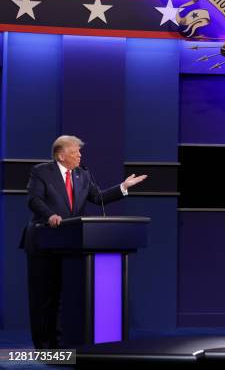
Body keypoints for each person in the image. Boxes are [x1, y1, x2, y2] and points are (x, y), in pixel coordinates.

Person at [20, 135, 148, 349]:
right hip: (43, 242)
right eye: (75, 152)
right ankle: (44, 348)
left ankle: (62, 345)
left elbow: (98, 198)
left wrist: (123, 187)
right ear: (61, 155)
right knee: (44, 299)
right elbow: (34, 200)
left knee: (65, 297)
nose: (79, 155)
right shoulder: (41, 171)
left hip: (71, 245)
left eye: (79, 152)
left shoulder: (83, 175)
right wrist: (50, 215)